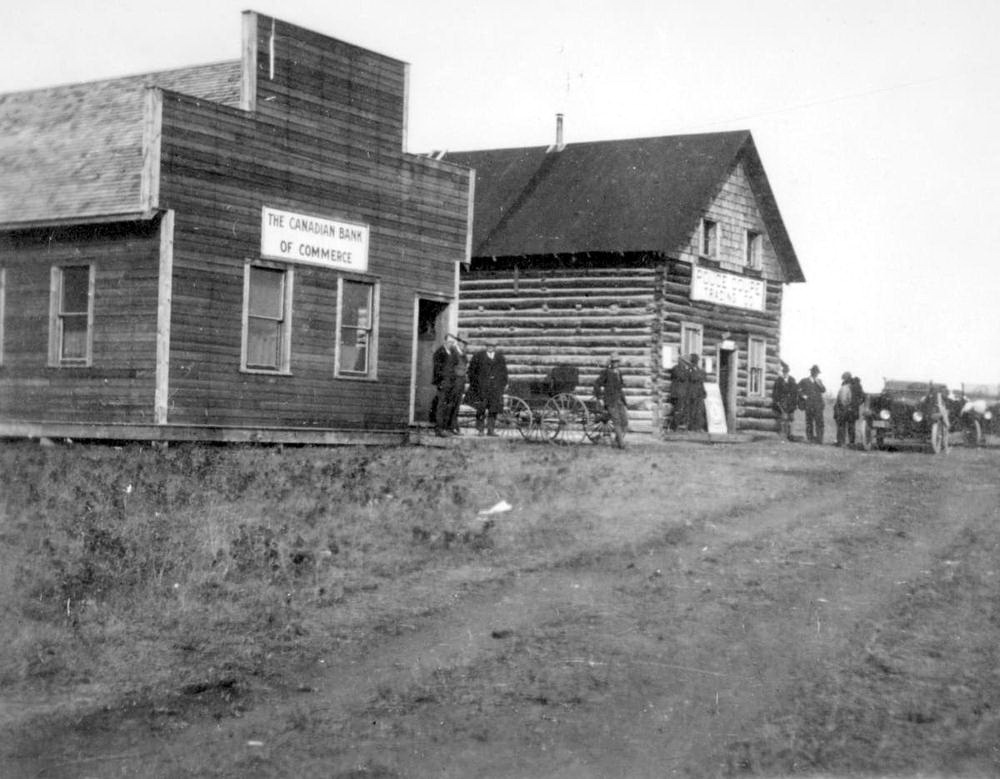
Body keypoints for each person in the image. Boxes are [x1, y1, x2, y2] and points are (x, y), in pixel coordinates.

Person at [467, 340, 508, 436]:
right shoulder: (479, 356)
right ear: (486, 346)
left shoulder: (500, 357)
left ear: (495, 347)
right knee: (481, 408)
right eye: (489, 346)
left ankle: (491, 430)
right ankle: (480, 430)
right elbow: (471, 371)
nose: (490, 347)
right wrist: (475, 384)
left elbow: (504, 371)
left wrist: (504, 383)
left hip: (495, 387)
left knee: (493, 408)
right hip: (482, 387)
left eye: (492, 346)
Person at [593, 353, 629, 449]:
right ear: (611, 362)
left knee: (625, 422)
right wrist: (599, 398)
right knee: (616, 421)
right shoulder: (606, 372)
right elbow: (597, 384)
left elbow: (620, 387)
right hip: (610, 401)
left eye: (617, 361)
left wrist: (623, 400)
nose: (615, 363)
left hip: (619, 400)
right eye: (614, 361)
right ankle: (622, 444)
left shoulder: (619, 372)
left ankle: (617, 441)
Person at [433, 333, 466, 437]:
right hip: (443, 383)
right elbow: (437, 370)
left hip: (451, 383)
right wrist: (440, 382)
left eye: (452, 342)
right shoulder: (440, 353)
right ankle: (439, 429)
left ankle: (447, 428)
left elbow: (455, 367)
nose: (450, 344)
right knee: (441, 406)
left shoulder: (451, 353)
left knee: (448, 406)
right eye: (449, 342)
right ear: (444, 341)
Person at [798, 364, 826, 444]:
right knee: (809, 422)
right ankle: (810, 438)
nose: (816, 374)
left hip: (818, 405)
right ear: (811, 372)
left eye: (817, 372)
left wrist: (819, 383)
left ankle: (819, 439)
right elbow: (798, 389)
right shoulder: (804, 380)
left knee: (819, 422)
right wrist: (803, 396)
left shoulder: (819, 381)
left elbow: (824, 390)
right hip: (809, 405)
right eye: (815, 372)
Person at [771, 361, 798, 441]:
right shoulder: (779, 380)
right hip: (782, 402)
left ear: (788, 372)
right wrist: (777, 401)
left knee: (791, 419)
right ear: (782, 372)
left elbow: (795, 392)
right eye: (784, 372)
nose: (785, 373)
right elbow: (775, 392)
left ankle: (791, 435)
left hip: (791, 403)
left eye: (786, 372)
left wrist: (794, 402)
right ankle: (783, 435)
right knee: (783, 418)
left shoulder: (792, 380)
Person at [668, 354, 692, 431]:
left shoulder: (677, 368)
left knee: (679, 410)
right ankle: (673, 427)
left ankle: (676, 426)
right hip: (679, 393)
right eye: (685, 362)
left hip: (679, 393)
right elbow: (682, 377)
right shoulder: (678, 369)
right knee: (678, 410)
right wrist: (687, 371)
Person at [685, 354, 708, 432]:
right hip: (692, 393)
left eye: (697, 360)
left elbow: (702, 380)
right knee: (692, 410)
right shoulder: (689, 369)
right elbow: (692, 378)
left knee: (699, 410)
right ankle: (691, 427)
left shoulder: (699, 369)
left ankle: (697, 427)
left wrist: (704, 391)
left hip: (699, 393)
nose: (697, 361)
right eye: (696, 360)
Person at [834, 371, 854, 447]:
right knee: (841, 427)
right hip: (842, 409)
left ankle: (841, 442)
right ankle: (841, 442)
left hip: (841, 409)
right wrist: (846, 408)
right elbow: (843, 400)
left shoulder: (844, 388)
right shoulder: (846, 388)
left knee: (841, 427)